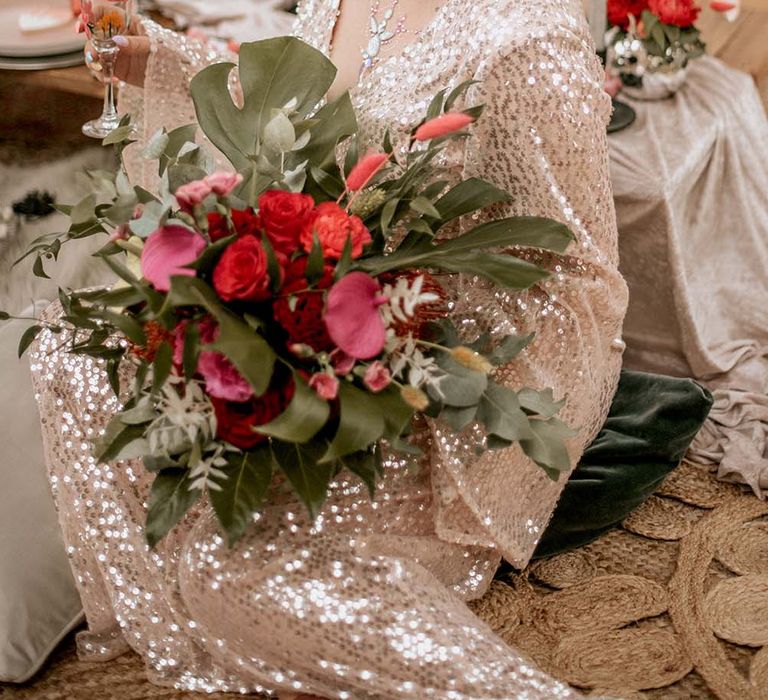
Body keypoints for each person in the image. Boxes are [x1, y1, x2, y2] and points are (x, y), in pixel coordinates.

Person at [35, 1, 628, 697]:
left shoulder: (525, 37)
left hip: (432, 367)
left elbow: (578, 280)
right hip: (310, 314)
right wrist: (159, 64)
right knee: (71, 353)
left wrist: (408, 336)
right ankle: (179, 630)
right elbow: (310, 113)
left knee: (231, 566)